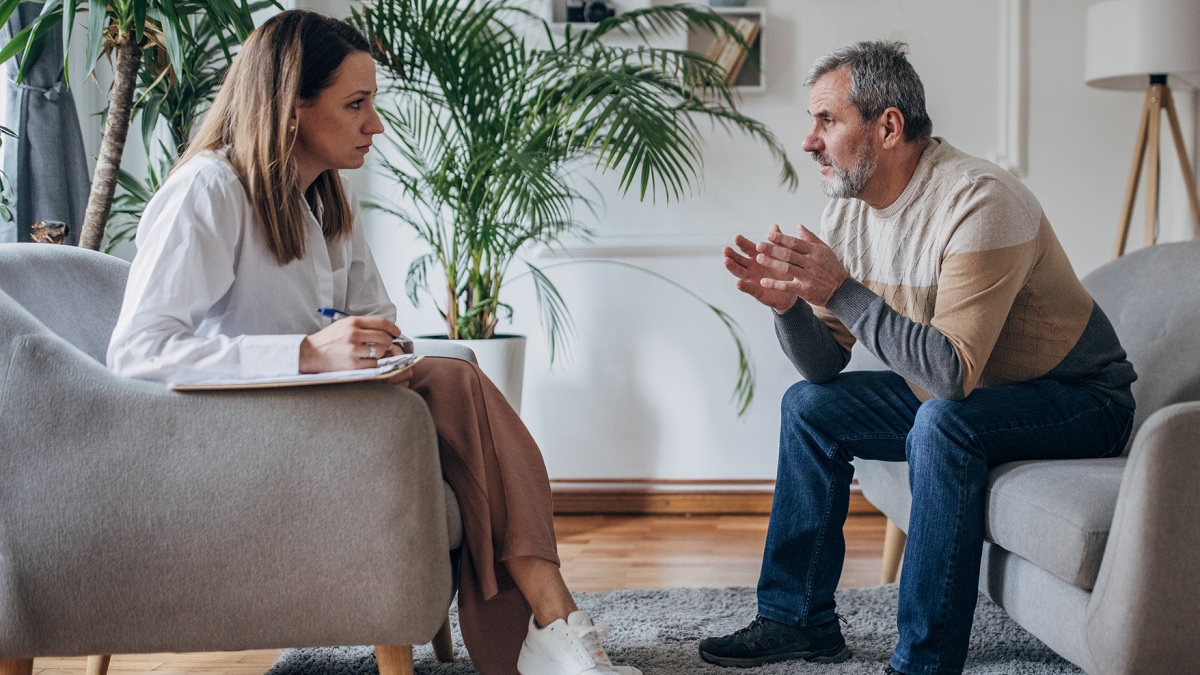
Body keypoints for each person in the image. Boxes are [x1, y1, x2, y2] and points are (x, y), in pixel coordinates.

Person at [106, 10, 638, 675]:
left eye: (373, 103)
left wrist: (375, 349)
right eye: (355, 104)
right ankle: (550, 625)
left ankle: (550, 624)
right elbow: (137, 352)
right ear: (291, 108)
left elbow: (375, 319)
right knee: (457, 380)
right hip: (228, 435)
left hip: (318, 415)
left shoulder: (325, 203)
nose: (376, 124)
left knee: (450, 380)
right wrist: (306, 353)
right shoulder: (208, 191)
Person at [700, 41, 1136, 675]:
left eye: (827, 120)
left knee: (940, 422)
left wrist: (841, 291)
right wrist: (789, 306)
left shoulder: (979, 200)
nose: (808, 140)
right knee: (809, 407)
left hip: (1081, 400)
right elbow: (824, 369)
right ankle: (798, 620)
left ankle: (924, 663)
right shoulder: (847, 212)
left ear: (889, 125)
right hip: (975, 390)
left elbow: (950, 376)